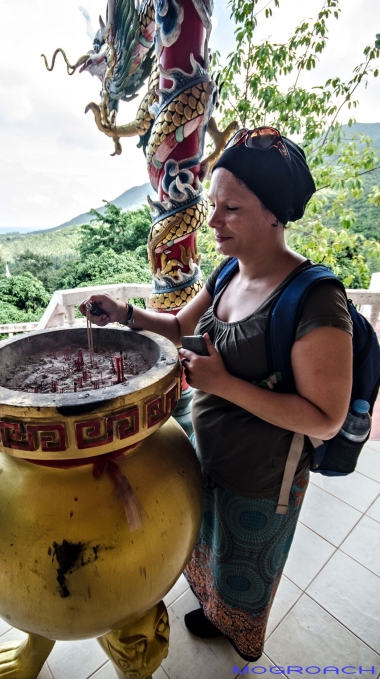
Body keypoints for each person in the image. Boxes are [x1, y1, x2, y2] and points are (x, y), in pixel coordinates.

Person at [79, 127, 353, 662]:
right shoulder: (229, 271)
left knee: (245, 564)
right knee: (209, 542)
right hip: (207, 453)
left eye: (230, 207)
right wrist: (126, 314)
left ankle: (242, 636)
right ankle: (212, 606)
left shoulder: (314, 300)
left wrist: (224, 384)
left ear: (275, 212)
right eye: (211, 204)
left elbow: (324, 420)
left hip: (262, 476)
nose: (211, 221)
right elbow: (181, 325)